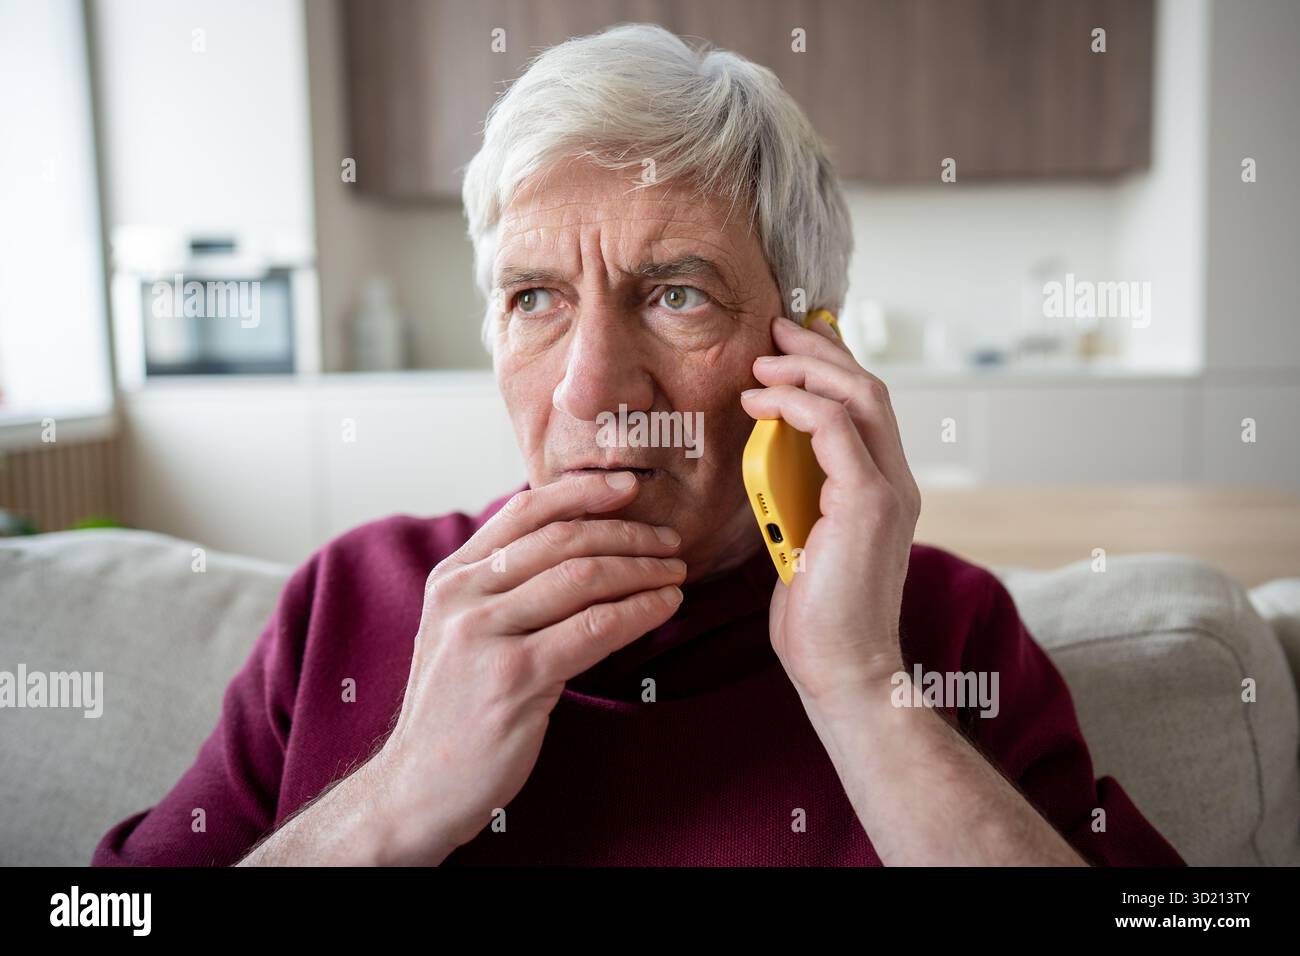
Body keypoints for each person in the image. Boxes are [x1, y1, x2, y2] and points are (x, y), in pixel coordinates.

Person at [92, 23, 1183, 867]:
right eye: (535, 297)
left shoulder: (941, 627)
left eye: (674, 293)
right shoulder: (350, 599)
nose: (589, 385)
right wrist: (391, 803)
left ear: (809, 351)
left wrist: (859, 688)